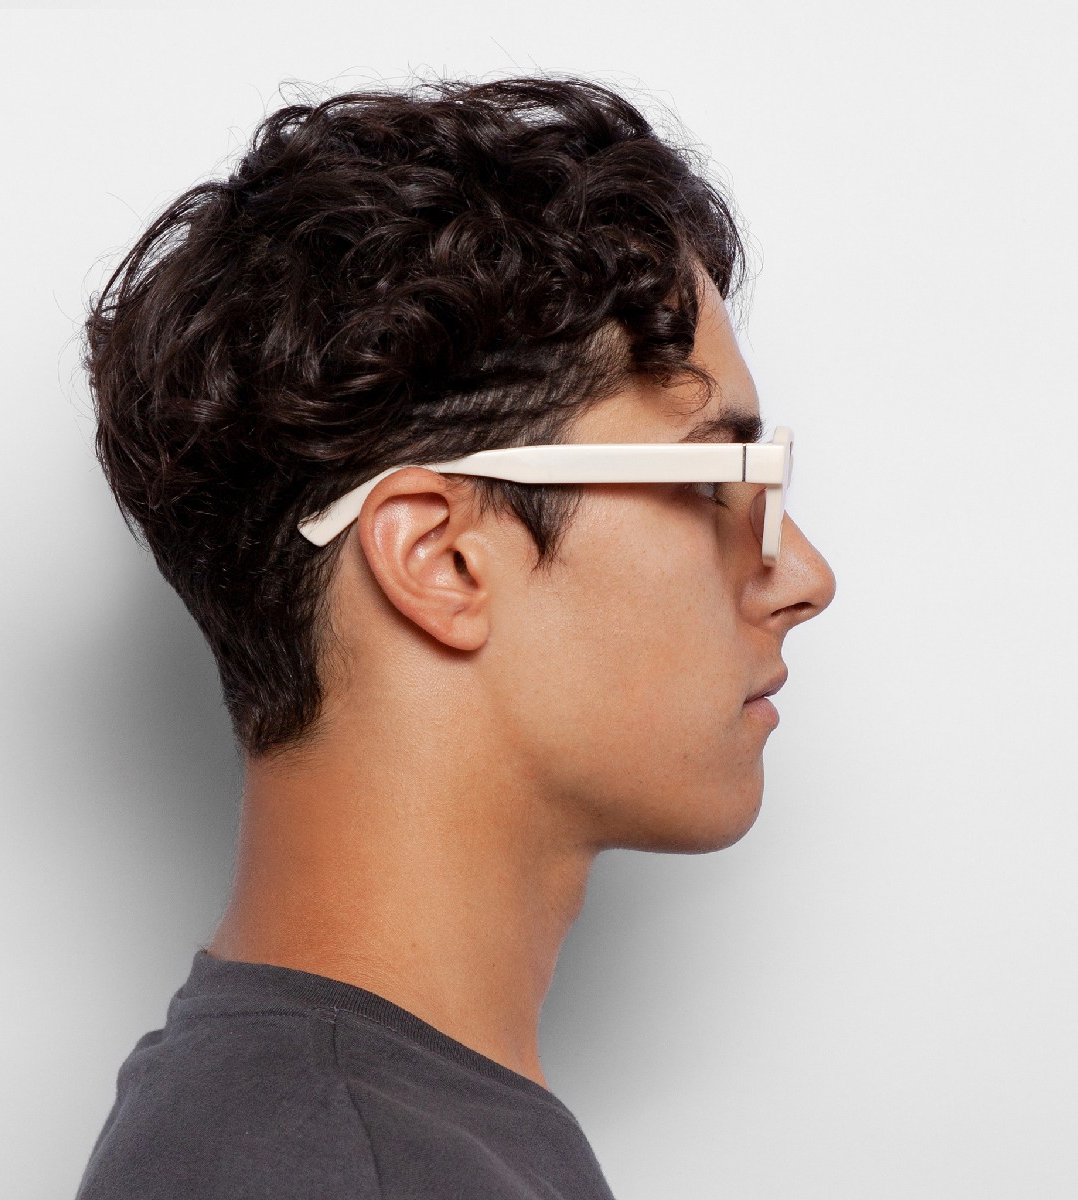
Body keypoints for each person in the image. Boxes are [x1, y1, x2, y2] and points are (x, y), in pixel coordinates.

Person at [74, 74, 836, 1200]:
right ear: (440, 557)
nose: (804, 578)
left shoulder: (338, 1130)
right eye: (715, 477)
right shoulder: (340, 1167)